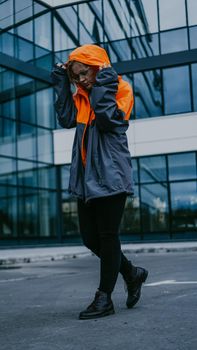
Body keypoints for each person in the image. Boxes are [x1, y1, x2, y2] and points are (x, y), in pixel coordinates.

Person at [51, 44, 148, 320]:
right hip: (86, 176)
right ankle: (132, 274)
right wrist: (61, 85)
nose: (81, 80)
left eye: (85, 73)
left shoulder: (121, 88)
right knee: (90, 237)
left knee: (107, 235)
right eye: (76, 76)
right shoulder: (82, 96)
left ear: (97, 66)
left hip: (110, 172)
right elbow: (67, 119)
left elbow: (107, 120)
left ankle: (104, 298)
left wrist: (104, 82)